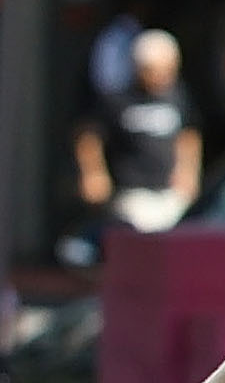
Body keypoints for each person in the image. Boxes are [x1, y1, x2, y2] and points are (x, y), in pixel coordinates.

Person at [73, 27, 199, 232]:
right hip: (131, 194)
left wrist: (188, 171)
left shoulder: (178, 97)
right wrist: (93, 174)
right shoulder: (118, 100)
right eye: (153, 69)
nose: (161, 76)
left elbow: (188, 135)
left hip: (170, 193)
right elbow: (89, 136)